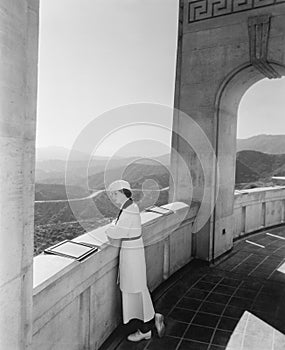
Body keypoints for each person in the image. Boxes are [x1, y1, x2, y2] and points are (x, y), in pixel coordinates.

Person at [105, 180, 165, 342]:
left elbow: (116, 232)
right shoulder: (130, 207)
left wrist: (108, 228)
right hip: (133, 249)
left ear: (123, 192)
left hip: (131, 252)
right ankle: (152, 318)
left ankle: (146, 329)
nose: (113, 198)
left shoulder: (129, 210)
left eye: (115, 194)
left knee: (134, 287)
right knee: (137, 287)